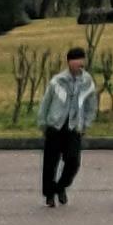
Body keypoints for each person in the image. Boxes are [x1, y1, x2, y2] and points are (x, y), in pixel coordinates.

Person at [37, 45, 96, 209]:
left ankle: (61, 186)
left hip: (74, 127)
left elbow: (91, 105)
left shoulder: (87, 82)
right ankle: (49, 194)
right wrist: (43, 123)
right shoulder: (57, 81)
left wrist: (86, 124)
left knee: (73, 162)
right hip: (55, 126)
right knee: (50, 163)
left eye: (81, 59)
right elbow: (46, 102)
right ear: (69, 62)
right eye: (76, 60)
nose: (79, 63)